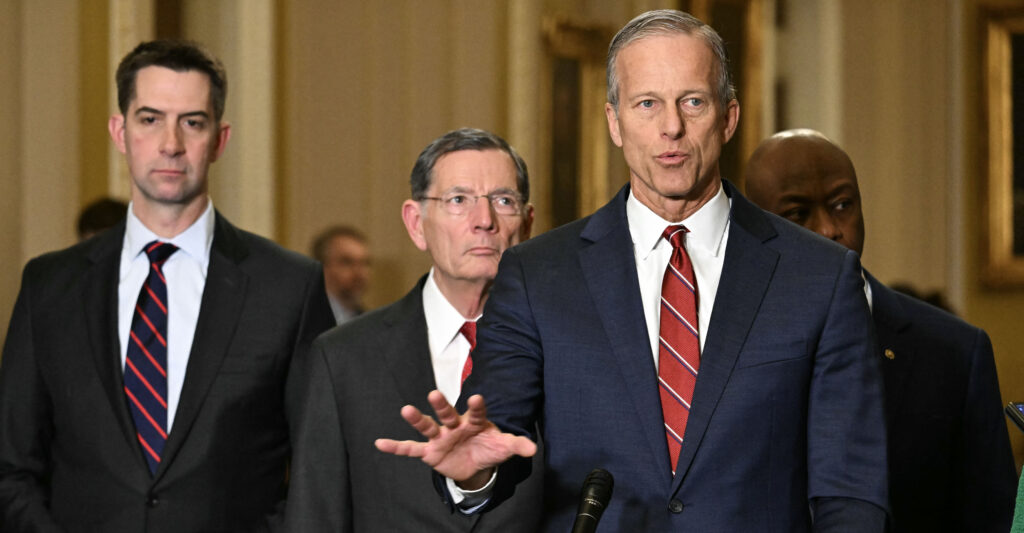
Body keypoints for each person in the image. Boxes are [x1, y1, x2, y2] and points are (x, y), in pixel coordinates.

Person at [377, 10, 888, 532]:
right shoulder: (537, 275)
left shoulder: (820, 276)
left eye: (693, 101)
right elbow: (495, 436)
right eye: (647, 104)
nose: (672, 127)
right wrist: (474, 476)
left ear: (729, 118)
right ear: (614, 123)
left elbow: (850, 489)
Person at [0, 40, 334, 531]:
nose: (170, 144)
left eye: (192, 122)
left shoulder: (288, 287)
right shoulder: (49, 287)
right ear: (120, 132)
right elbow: (11, 468)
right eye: (150, 119)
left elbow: (321, 469)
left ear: (219, 140)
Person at [744, 128, 1017, 532]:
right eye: (798, 214)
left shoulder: (954, 352)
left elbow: (992, 518)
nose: (829, 230)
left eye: (842, 205)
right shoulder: (715, 344)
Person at [285, 128, 542, 532]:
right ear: (416, 223)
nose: (484, 221)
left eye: (503, 201)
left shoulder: (568, 349)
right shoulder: (342, 357)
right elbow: (315, 516)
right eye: (458, 200)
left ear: (526, 225)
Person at [311, 225, 372, 324]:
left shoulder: (370, 322)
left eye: (365, 263)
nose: (359, 273)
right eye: (347, 262)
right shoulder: (301, 320)